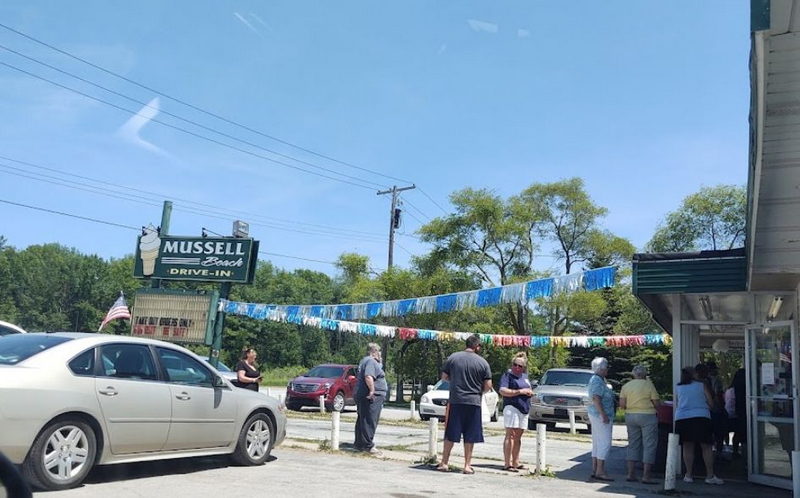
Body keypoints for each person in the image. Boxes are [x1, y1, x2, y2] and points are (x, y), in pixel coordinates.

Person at [437, 334, 492, 475]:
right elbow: (488, 385)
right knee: (470, 435)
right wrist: (478, 390)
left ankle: (444, 462)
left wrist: (455, 382)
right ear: (477, 346)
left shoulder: (453, 358)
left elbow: (444, 377)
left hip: (456, 400)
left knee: (450, 433)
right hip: (473, 402)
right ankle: (467, 465)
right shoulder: (483, 363)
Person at [674, 365, 724, 485]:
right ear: (693, 374)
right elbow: (711, 403)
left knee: (687, 446)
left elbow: (678, 402)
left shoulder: (678, 387)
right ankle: (710, 475)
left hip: (682, 418)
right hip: (701, 417)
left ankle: (688, 474)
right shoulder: (701, 385)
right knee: (706, 447)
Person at [619, 364, 660, 484]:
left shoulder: (626, 386)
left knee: (633, 444)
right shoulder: (649, 385)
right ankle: (646, 476)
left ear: (633, 374)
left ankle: (630, 474)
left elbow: (622, 404)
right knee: (649, 445)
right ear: (645, 374)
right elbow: (657, 403)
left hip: (631, 416)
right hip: (647, 416)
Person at [498, 352, 533, 472]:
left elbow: (528, 388)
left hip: (524, 408)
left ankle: (516, 462)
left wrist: (529, 392)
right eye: (515, 365)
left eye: (520, 366)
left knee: (518, 436)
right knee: (511, 435)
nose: (517, 368)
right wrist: (519, 392)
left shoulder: (525, 377)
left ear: (524, 368)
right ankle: (507, 464)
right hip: (512, 407)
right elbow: (502, 390)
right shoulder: (507, 375)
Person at [353, 343, 387, 455]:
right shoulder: (371, 361)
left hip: (364, 395)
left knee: (363, 420)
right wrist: (372, 390)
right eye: (379, 351)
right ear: (375, 351)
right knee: (370, 420)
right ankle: (368, 445)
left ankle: (359, 444)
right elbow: (368, 376)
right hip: (372, 396)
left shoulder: (365, 360)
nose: (381, 354)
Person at [588, 357, 615, 482]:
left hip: (596, 414)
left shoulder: (598, 380)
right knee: (604, 443)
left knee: (598, 443)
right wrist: (603, 414)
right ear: (601, 368)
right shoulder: (597, 381)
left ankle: (595, 469)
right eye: (606, 367)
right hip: (600, 415)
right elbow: (596, 398)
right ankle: (600, 471)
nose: (607, 369)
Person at [705, 361, 727, 453]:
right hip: (716, 410)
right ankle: (719, 454)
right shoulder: (716, 380)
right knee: (719, 433)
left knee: (708, 434)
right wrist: (722, 408)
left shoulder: (701, 381)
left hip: (705, 411)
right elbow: (719, 395)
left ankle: (708, 453)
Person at [731, 368, 746, 457]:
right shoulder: (745, 385)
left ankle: (735, 450)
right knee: (743, 432)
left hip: (738, 409)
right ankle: (744, 452)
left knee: (738, 432)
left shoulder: (735, 386)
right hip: (743, 409)